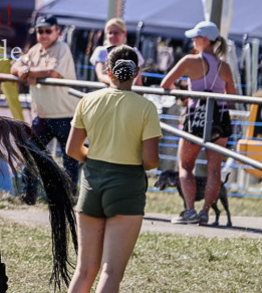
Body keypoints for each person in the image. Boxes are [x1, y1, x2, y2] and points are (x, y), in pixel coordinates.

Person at [65, 46, 161, 293]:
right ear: (136, 73)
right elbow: (151, 160)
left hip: (92, 185)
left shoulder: (88, 100)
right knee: (111, 272)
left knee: (85, 270)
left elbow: (73, 150)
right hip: (127, 187)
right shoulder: (146, 107)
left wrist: (96, 159)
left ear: (108, 71)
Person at [160, 20, 236, 225]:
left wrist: (185, 91)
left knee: (185, 165)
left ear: (204, 40)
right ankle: (205, 213)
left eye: (195, 37)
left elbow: (165, 84)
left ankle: (190, 210)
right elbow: (232, 98)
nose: (192, 40)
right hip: (220, 119)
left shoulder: (189, 61)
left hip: (195, 118)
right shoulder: (225, 67)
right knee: (214, 169)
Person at [10, 14, 80, 200]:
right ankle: (28, 194)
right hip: (42, 115)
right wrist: (26, 72)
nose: (43, 34)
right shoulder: (35, 50)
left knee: (69, 159)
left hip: (65, 114)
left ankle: (69, 195)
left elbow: (53, 73)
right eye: (40, 31)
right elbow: (14, 67)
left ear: (58, 32)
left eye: (48, 31)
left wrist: (27, 73)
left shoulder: (62, 48)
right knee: (31, 152)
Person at [91, 18, 143, 86]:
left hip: (129, 93)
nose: (112, 36)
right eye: (110, 33)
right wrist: (119, 83)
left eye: (116, 33)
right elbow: (101, 75)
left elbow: (138, 81)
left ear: (124, 34)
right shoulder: (102, 51)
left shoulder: (133, 52)